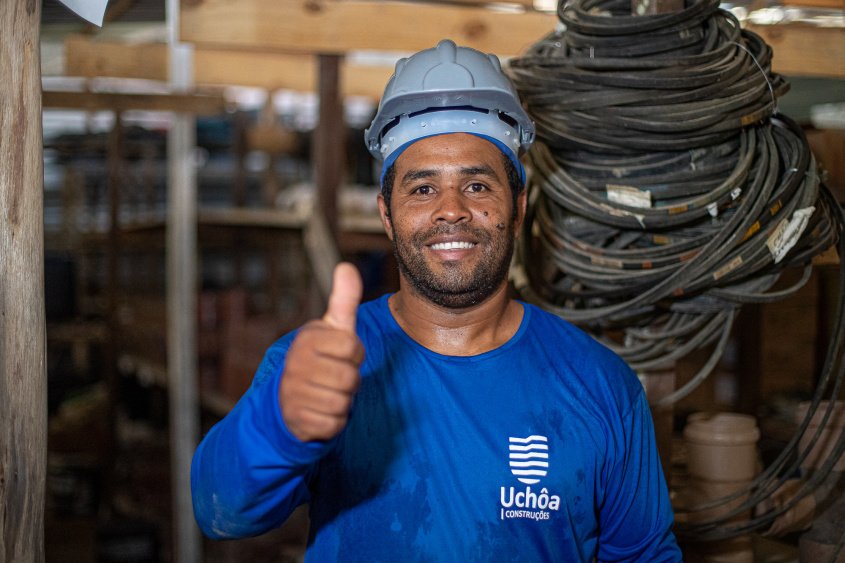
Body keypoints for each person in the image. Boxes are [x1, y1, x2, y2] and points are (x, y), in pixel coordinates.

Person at [191, 39, 682, 561]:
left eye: (476, 185)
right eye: (422, 189)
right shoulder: (320, 366)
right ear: (387, 214)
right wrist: (278, 425)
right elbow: (219, 510)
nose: (452, 210)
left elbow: (643, 554)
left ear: (517, 207)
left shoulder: (601, 385)